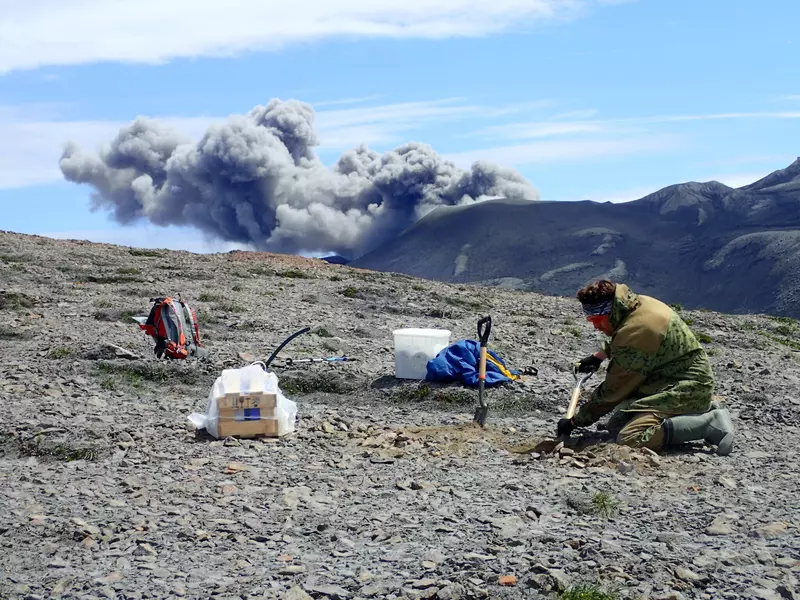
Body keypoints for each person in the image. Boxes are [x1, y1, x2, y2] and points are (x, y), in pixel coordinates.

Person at [556, 279, 735, 455]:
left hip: (686, 386)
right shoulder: (635, 305)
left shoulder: (638, 329)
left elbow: (613, 390)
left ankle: (709, 423)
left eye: (597, 319)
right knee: (616, 425)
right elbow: (630, 340)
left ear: (610, 312)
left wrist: (575, 421)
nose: (595, 326)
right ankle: (698, 409)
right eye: (590, 320)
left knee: (630, 437)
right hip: (670, 378)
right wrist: (599, 357)